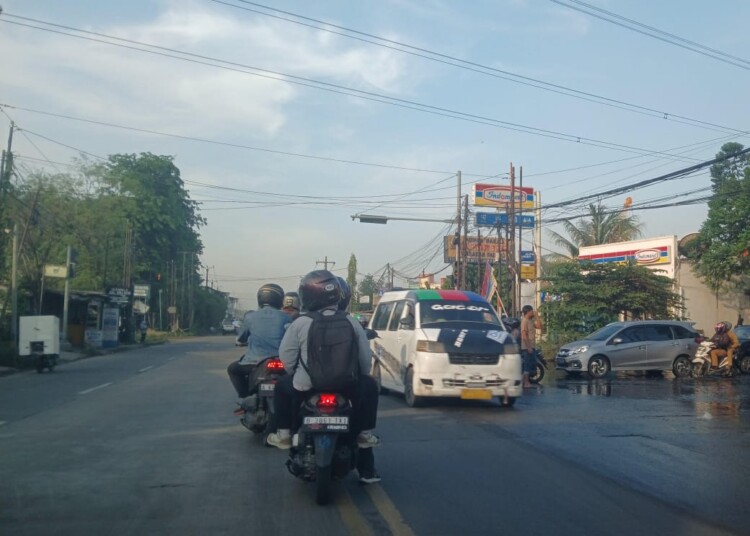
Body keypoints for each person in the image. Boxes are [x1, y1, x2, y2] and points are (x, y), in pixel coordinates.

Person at [267, 270, 381, 484]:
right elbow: (365, 360)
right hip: (347, 386)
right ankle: (365, 434)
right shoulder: (351, 321)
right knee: (370, 387)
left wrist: (296, 374)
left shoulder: (301, 323)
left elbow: (286, 357)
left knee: (281, 387)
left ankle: (283, 433)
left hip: (306, 386)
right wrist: (361, 377)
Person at [227, 283, 290, 415]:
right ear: (279, 300)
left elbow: (242, 337)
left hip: (253, 362)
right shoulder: (286, 317)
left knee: (233, 369)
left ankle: (245, 397)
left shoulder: (250, 317)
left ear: (260, 298)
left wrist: (239, 341)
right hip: (281, 362)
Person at [520, 305, 542, 388]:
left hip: (532, 346)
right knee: (527, 365)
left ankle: (522, 382)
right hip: (527, 347)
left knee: (531, 364)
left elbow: (539, 327)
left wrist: (537, 317)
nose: (533, 312)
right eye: (532, 311)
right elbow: (524, 335)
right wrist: (528, 347)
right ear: (528, 312)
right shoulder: (524, 321)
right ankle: (526, 382)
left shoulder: (531, 321)